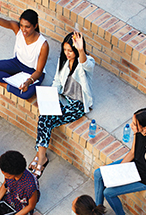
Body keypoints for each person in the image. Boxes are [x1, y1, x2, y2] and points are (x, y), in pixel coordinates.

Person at [27, 31, 95, 178]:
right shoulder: (63, 60)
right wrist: (49, 97)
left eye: (70, 50)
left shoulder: (87, 62)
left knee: (46, 119)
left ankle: (40, 158)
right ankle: (41, 157)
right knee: (45, 117)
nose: (67, 53)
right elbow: (57, 81)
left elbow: (86, 64)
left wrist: (81, 50)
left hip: (77, 105)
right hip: (63, 98)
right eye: (65, 50)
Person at [93, 108, 146, 215]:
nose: (132, 126)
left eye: (134, 124)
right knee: (98, 173)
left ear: (144, 128)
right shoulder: (138, 132)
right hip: (135, 164)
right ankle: (97, 211)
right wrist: (118, 171)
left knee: (109, 193)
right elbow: (133, 152)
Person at [0, 2, 49, 100]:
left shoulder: (43, 45)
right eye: (21, 25)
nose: (23, 30)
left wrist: (28, 82)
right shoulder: (17, 28)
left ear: (35, 26)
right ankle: (13, 83)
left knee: (26, 94)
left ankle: (4, 84)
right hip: (17, 63)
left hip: (32, 72)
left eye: (27, 27)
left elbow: (39, 71)